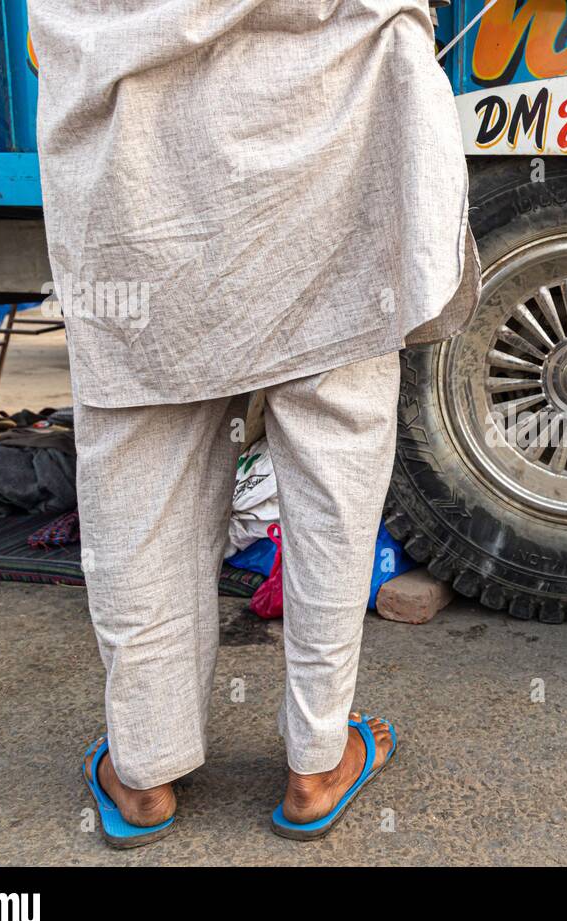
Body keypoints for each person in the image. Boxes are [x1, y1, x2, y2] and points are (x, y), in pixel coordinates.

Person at [29, 0, 479, 847]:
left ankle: (143, 768)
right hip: (330, 130)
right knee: (332, 474)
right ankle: (315, 760)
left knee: (139, 474)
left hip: (138, 162)